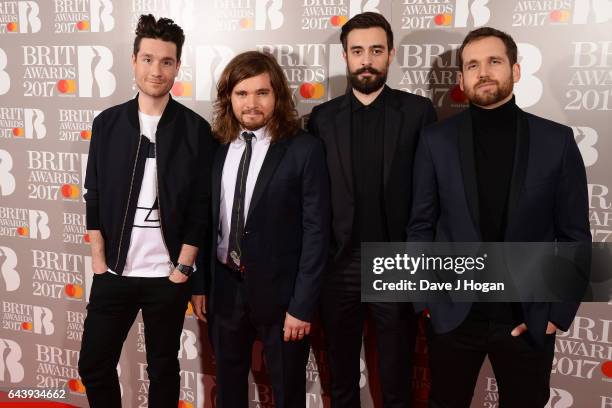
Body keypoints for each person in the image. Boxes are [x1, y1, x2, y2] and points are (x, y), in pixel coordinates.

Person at [406, 27, 590, 408]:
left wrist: (558, 312)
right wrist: (426, 297)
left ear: (516, 70)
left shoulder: (556, 141)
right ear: (461, 79)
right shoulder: (435, 141)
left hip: (528, 317)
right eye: (472, 65)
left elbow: (574, 234)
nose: (483, 71)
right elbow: (421, 224)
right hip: (454, 316)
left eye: (494, 61)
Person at [78, 14, 216, 408]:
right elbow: (94, 193)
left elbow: (201, 207)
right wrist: (100, 262)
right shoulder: (108, 124)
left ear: (177, 66)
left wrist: (183, 269)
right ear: (134, 61)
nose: (157, 70)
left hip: (167, 278)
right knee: (94, 364)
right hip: (115, 274)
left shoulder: (195, 130)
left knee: (163, 370)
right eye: (149, 59)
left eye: (167, 61)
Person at [308, 12, 437, 408]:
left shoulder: (418, 113)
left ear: (391, 55)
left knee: (396, 379)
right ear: (345, 56)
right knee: (341, 379)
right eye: (358, 51)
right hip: (339, 263)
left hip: (396, 261)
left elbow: (431, 195)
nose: (367, 59)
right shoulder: (321, 118)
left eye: (376, 50)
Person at [190, 50, 330, 408]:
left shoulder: (304, 150)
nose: (251, 103)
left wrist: (301, 305)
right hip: (224, 289)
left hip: (282, 297)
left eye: (261, 93)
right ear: (229, 98)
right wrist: (201, 285)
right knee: (229, 388)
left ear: (278, 96)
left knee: (287, 392)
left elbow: (317, 232)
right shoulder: (217, 146)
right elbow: (205, 220)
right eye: (241, 94)